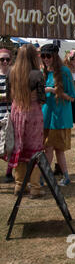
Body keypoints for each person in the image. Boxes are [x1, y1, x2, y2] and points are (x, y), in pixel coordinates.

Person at [7, 44, 46, 198]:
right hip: (33, 112)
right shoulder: (37, 74)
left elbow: (9, 95)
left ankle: (19, 185)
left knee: (19, 147)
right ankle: (35, 187)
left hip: (16, 110)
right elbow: (42, 98)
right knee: (35, 149)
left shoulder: (11, 71)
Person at [41, 44, 75, 186]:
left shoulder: (64, 71)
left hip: (59, 116)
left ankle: (42, 177)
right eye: (43, 56)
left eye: (48, 56)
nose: (45, 59)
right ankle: (65, 176)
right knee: (53, 149)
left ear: (55, 56)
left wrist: (53, 90)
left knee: (52, 148)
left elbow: (72, 97)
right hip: (46, 116)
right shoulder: (44, 71)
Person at [0, 48, 14, 183]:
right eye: (2, 59)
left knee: (10, 145)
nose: (5, 62)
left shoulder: (14, 75)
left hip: (10, 114)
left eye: (7, 59)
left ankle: (9, 173)